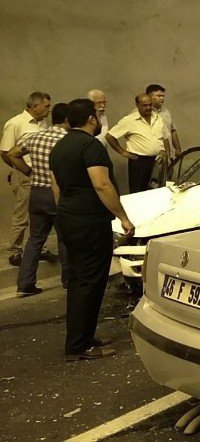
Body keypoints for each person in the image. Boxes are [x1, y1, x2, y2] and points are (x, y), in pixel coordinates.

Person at [50, 98, 134, 361]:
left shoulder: (59, 147)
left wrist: (66, 213)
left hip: (69, 218)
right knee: (91, 281)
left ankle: (83, 336)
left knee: (79, 280)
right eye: (97, 116)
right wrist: (123, 217)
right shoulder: (91, 146)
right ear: (91, 119)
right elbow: (101, 184)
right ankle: (79, 346)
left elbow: (57, 189)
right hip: (89, 222)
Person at [7, 103, 70, 296]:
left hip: (37, 193)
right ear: (68, 119)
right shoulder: (67, 139)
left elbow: (12, 154)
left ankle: (24, 284)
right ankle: (69, 280)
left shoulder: (35, 136)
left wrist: (28, 171)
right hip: (58, 193)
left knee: (35, 239)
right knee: (65, 237)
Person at [1, 91, 51, 264]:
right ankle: (15, 250)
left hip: (42, 175)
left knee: (41, 214)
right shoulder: (15, 123)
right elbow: (6, 152)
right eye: (46, 106)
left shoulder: (43, 124)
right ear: (35, 105)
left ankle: (41, 248)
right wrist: (22, 170)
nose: (48, 110)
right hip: (25, 174)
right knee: (22, 213)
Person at [106, 94, 166, 194]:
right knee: (138, 192)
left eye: (150, 105)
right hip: (139, 161)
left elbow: (162, 137)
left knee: (157, 191)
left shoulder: (158, 118)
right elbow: (110, 136)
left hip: (157, 161)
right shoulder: (129, 120)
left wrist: (165, 152)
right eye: (145, 105)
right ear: (137, 105)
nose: (148, 108)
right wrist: (122, 152)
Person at [146, 84, 181, 158]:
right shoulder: (144, 113)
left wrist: (178, 149)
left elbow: (173, 131)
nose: (162, 98)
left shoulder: (166, 112)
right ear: (149, 96)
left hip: (169, 156)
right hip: (153, 156)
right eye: (158, 96)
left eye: (163, 96)